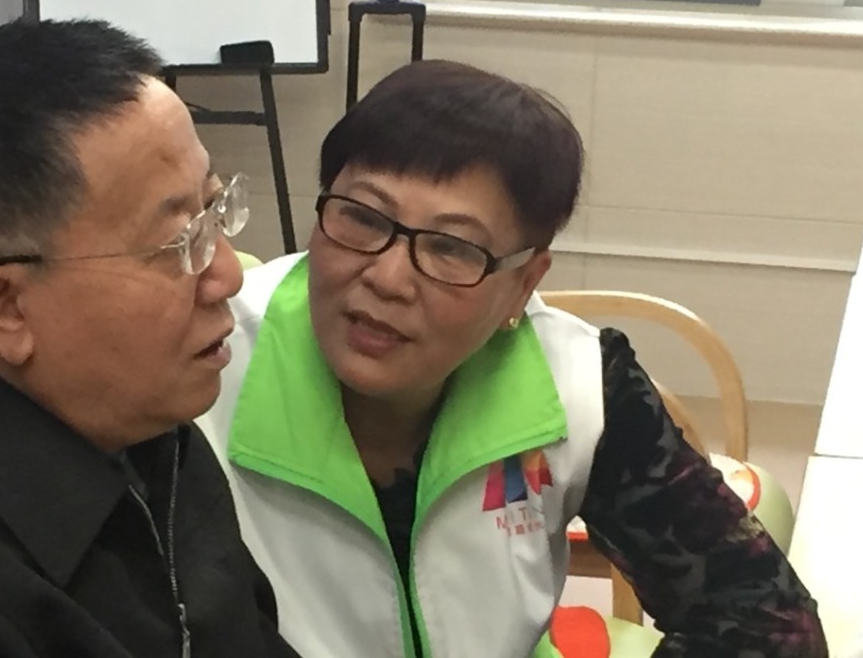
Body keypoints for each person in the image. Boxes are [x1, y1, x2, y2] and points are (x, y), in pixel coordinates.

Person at [197, 60, 827, 657]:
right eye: (362, 217)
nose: (388, 278)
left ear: (524, 283)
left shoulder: (580, 383)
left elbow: (766, 620)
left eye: (452, 248)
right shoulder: (203, 364)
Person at [0, 19, 297, 658]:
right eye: (179, 242)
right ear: (8, 309)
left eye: (214, 210)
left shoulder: (139, 421)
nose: (227, 273)